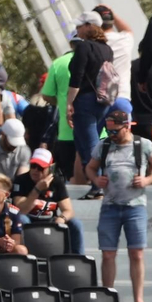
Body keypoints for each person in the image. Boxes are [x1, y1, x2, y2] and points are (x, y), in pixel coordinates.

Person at [94, 97, 152, 302]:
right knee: (108, 254)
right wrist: (96, 180)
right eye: (110, 132)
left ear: (127, 126)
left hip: (135, 206)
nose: (112, 136)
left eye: (116, 131)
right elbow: (90, 167)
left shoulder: (142, 145)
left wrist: (146, 181)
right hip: (110, 205)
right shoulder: (105, 145)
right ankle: (108, 295)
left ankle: (138, 299)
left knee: (137, 253)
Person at [65, 12, 117, 189]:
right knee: (81, 139)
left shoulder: (84, 47)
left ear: (89, 26)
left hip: (85, 100)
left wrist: (69, 103)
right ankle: (96, 182)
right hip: (102, 101)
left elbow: (77, 78)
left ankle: (99, 185)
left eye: (79, 26)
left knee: (89, 145)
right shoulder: (107, 49)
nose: (77, 29)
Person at [12, 148, 85, 254]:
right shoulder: (21, 180)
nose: (35, 171)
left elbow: (69, 210)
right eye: (33, 166)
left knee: (76, 223)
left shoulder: (56, 182)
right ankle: (25, 256)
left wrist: (62, 218)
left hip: (51, 221)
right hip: (29, 220)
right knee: (22, 219)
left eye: (40, 168)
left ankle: (77, 258)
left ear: (49, 168)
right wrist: (37, 190)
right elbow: (21, 210)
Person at [39, 48, 80, 180]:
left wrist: (61, 102)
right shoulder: (98, 58)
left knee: (71, 176)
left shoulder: (58, 63)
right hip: (97, 131)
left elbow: (46, 95)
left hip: (67, 132)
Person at [92, 4, 136, 101]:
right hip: (122, 97)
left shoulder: (94, 45)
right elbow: (127, 30)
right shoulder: (125, 39)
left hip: (102, 99)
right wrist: (112, 12)